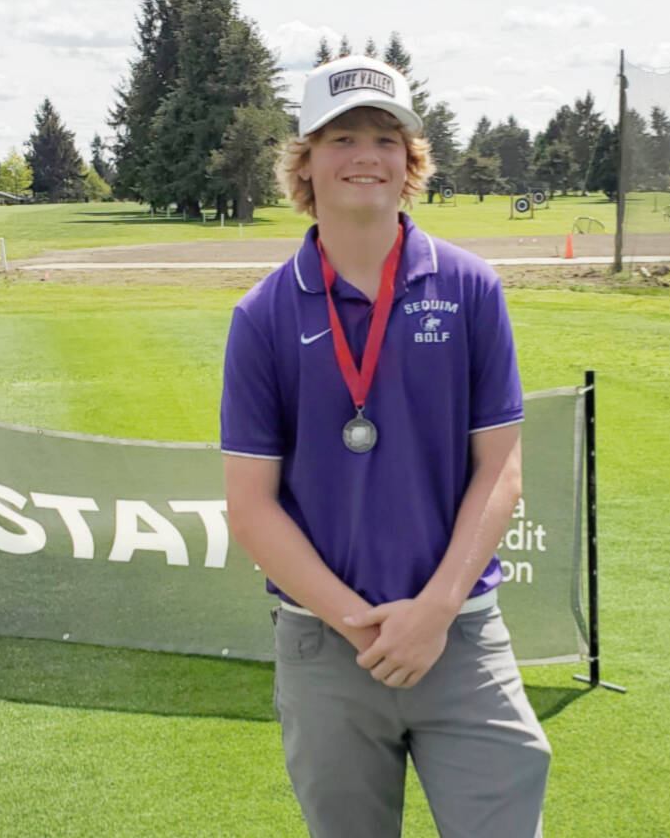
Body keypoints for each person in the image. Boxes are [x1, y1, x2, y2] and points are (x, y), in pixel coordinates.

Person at [220, 54, 551, 838]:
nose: (365, 155)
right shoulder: (262, 315)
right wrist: (359, 625)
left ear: (411, 162)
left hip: (461, 633)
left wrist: (432, 614)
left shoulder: (471, 289)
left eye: (385, 136)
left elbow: (500, 470)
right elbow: (251, 506)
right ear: (304, 162)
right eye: (339, 138)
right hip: (326, 644)